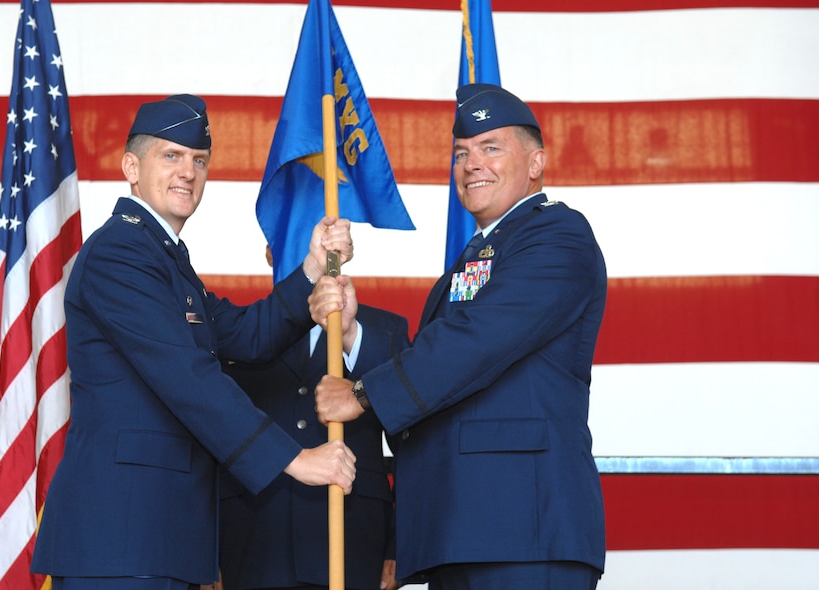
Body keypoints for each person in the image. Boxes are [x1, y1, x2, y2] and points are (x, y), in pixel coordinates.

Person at [31, 94, 358, 590]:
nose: (188, 171)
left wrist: (312, 267)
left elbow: (244, 337)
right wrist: (295, 459)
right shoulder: (121, 251)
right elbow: (188, 377)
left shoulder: (164, 258)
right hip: (121, 537)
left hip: (159, 536)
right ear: (131, 167)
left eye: (198, 160)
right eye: (171, 156)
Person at [314, 83, 607, 589]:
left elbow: (477, 342)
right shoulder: (478, 256)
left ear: (536, 163)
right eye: (462, 153)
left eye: (492, 147)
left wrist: (362, 395)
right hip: (458, 528)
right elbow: (445, 362)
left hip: (523, 530)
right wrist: (354, 334)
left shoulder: (558, 236)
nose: (472, 163)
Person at [217, 246, 408, 590]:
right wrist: (205, 552)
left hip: (353, 538)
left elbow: (411, 442)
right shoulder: (241, 330)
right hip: (253, 538)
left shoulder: (385, 329)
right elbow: (211, 438)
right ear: (269, 254)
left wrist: (399, 544)